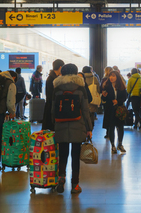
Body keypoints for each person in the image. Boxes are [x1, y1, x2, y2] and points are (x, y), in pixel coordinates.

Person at [52, 64, 92, 194]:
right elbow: (85, 110)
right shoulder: (81, 88)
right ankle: (75, 184)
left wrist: (54, 124)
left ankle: (61, 179)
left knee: (62, 154)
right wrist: (89, 128)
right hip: (78, 124)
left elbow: (53, 109)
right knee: (75, 155)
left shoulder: (57, 88)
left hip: (61, 124)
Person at [102, 70, 128, 154]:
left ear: (117, 77)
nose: (111, 78)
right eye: (110, 76)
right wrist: (104, 96)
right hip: (110, 109)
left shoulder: (121, 86)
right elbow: (103, 99)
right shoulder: (106, 86)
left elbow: (125, 97)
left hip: (119, 109)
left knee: (120, 126)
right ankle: (113, 145)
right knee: (111, 127)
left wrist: (118, 101)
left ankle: (120, 144)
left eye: (113, 76)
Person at [42, 59, 65, 131]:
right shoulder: (52, 79)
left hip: (51, 105)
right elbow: (51, 95)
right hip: (51, 106)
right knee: (51, 128)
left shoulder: (52, 77)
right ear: (60, 67)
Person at [101, 66, 113, 138]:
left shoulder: (104, 79)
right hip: (114, 101)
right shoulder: (116, 80)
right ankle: (113, 131)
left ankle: (108, 132)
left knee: (107, 115)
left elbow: (101, 88)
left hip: (106, 100)